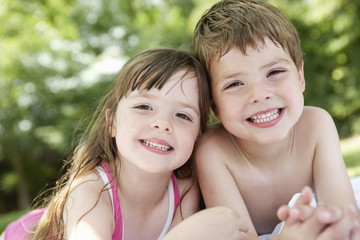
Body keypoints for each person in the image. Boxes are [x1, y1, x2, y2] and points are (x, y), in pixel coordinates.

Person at [0, 47, 249, 240]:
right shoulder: (90, 191)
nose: (162, 123)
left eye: (183, 115)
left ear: (197, 136)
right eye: (144, 106)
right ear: (112, 123)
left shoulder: (185, 187)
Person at [193, 0, 360, 239]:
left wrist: (328, 224)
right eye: (235, 84)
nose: (260, 95)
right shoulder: (212, 151)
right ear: (213, 104)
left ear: (300, 77)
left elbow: (345, 218)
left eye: (274, 72)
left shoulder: (317, 125)